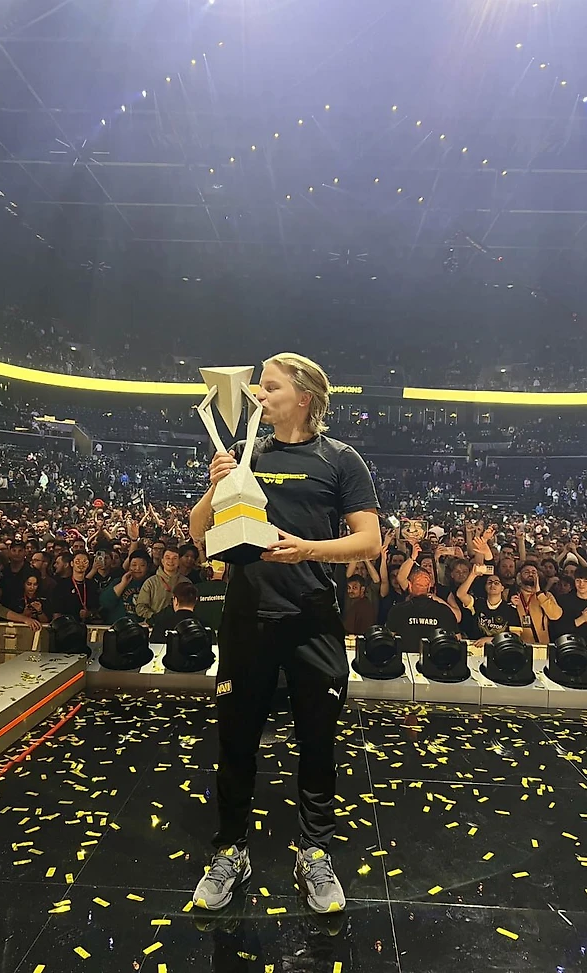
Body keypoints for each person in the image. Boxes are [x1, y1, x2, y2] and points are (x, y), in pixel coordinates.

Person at [189, 352, 380, 915]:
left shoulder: (340, 460)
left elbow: (369, 542)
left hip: (312, 622)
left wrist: (307, 549)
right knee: (236, 744)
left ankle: (315, 853)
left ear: (304, 397)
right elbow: (198, 532)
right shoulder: (245, 452)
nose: (258, 395)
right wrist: (215, 486)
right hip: (246, 619)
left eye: (269, 387)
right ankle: (230, 851)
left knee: (317, 743)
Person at [387, 567, 459, 653]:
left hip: (405, 659)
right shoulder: (444, 611)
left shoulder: (397, 610)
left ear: (410, 585)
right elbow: (457, 639)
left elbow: (389, 640)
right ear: (429, 587)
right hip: (436, 659)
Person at [455, 564, 521, 645]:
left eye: (496, 583)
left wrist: (491, 640)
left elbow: (515, 636)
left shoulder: (510, 610)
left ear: (502, 588)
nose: (492, 585)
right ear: (485, 587)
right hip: (477, 648)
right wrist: (473, 574)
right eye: (489, 582)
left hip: (500, 649)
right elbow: (460, 594)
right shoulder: (477, 603)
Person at [509, 562, 562, 645]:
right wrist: (511, 605)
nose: (530, 574)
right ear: (519, 576)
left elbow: (556, 615)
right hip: (519, 646)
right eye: (526, 572)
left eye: (534, 572)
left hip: (542, 645)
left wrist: (539, 594)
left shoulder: (546, 595)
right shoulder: (511, 594)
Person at [135, 548, 189, 622]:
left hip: (180, 624)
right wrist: (155, 618)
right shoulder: (150, 582)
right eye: (168, 558)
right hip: (156, 624)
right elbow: (140, 607)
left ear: (179, 561)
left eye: (175, 558)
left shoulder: (186, 583)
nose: (171, 561)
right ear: (162, 561)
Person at [100, 549, 151, 624]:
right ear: (129, 566)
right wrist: (123, 584)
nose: (137, 568)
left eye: (142, 565)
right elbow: (105, 603)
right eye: (134, 565)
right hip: (118, 625)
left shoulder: (152, 584)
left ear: (147, 567)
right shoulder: (118, 581)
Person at [52, 552, 101, 621]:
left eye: (85, 562)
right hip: (68, 624)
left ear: (88, 565)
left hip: (89, 624)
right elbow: (56, 612)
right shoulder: (62, 585)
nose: (81, 564)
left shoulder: (92, 584)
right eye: (77, 561)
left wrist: (89, 613)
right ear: (72, 563)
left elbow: (97, 608)